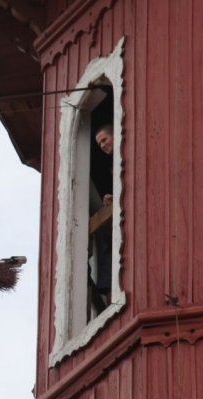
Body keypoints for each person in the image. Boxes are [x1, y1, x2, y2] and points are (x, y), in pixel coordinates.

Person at [92, 124, 114, 302]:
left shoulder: (127, 154)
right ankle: (107, 285)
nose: (103, 145)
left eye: (105, 140)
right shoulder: (113, 163)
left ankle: (107, 284)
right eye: (99, 144)